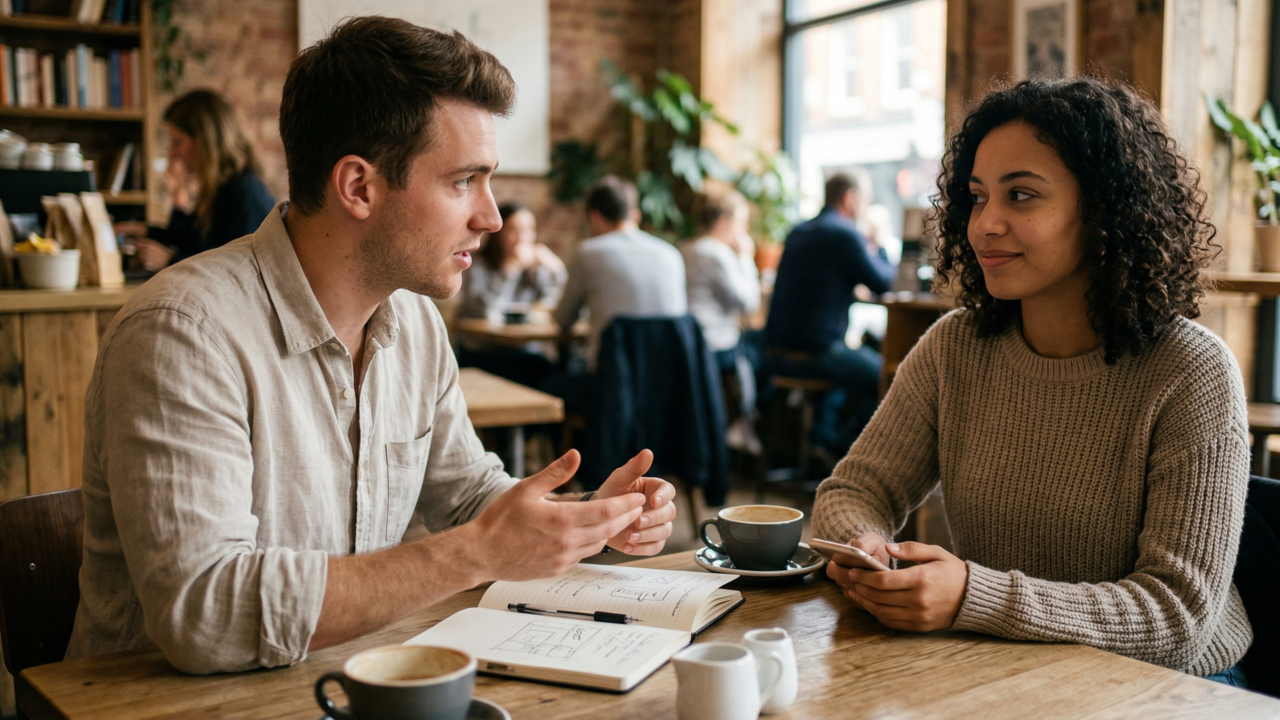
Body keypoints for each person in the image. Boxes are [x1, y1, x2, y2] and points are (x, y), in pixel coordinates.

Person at [66, 18, 677, 675]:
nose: (492, 217)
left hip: (350, 681)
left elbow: (469, 497)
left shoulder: (416, 323)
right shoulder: (181, 333)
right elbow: (205, 615)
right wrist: (476, 552)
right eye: (463, 181)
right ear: (358, 187)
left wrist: (587, 522)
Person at [813, 78, 1252, 687]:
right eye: (977, 197)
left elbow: (1177, 617)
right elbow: (851, 492)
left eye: (1021, 195)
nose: (985, 224)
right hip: (1004, 663)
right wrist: (865, 549)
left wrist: (973, 595)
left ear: (1105, 210)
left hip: (1175, 688)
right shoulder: (955, 348)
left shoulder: (1191, 371)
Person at [764, 170, 895, 454]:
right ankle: (844, 452)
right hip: (817, 353)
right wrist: (880, 242)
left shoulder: (798, 232)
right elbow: (884, 281)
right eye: (864, 200)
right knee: (893, 380)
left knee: (847, 364)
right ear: (850, 198)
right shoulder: (844, 234)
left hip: (775, 353)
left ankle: (822, 441)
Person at [547, 176, 686, 409]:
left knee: (544, 387)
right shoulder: (671, 254)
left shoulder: (589, 253)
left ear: (595, 217)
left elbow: (563, 320)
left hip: (612, 387)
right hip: (669, 388)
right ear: (635, 214)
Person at [115, 89, 276, 271]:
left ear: (205, 141)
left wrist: (170, 260)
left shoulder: (245, 192)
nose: (172, 152)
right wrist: (146, 231)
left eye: (177, 142)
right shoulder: (222, 189)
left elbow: (240, 269)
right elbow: (192, 241)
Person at [680, 190, 761, 452]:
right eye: (742, 222)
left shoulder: (685, 248)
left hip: (687, 343)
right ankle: (744, 422)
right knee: (761, 352)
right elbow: (748, 303)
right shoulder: (717, 254)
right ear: (725, 221)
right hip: (715, 346)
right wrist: (746, 256)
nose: (744, 230)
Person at [456, 201, 566, 387]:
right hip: (483, 353)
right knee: (542, 371)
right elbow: (484, 312)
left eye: (528, 230)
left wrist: (557, 269)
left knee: (557, 371)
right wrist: (510, 269)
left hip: (522, 350)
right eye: (514, 230)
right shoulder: (479, 266)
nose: (522, 238)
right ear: (499, 234)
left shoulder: (533, 268)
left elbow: (556, 304)